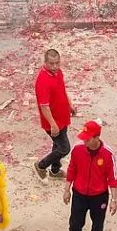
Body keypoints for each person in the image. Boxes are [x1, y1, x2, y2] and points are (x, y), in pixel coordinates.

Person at [64, 119, 117, 231]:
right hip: (79, 193)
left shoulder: (107, 154)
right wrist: (67, 190)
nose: (84, 141)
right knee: (75, 223)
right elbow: (71, 169)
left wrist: (114, 200)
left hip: (99, 196)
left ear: (97, 138)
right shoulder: (77, 150)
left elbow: (113, 178)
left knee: (97, 224)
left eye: (87, 139)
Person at [34, 47, 74, 179]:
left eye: (57, 63)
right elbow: (44, 106)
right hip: (53, 121)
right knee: (64, 148)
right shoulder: (42, 80)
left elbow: (62, 90)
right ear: (45, 62)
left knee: (57, 145)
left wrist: (69, 104)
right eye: (51, 63)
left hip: (62, 117)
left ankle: (55, 171)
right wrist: (53, 124)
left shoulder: (58, 73)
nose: (55, 66)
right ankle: (41, 165)